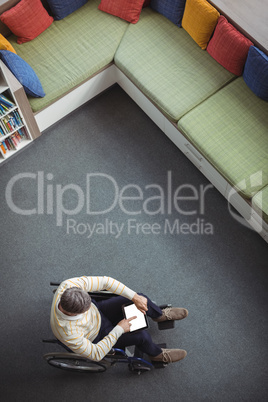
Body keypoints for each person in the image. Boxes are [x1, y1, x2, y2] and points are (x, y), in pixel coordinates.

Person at [50, 275, 188, 364]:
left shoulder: (67, 286)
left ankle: (158, 315)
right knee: (142, 336)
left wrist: (134, 297)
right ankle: (156, 354)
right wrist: (119, 329)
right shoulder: (67, 331)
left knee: (139, 297)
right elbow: (96, 354)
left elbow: (105, 281)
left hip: (98, 311)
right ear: (74, 314)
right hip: (98, 335)